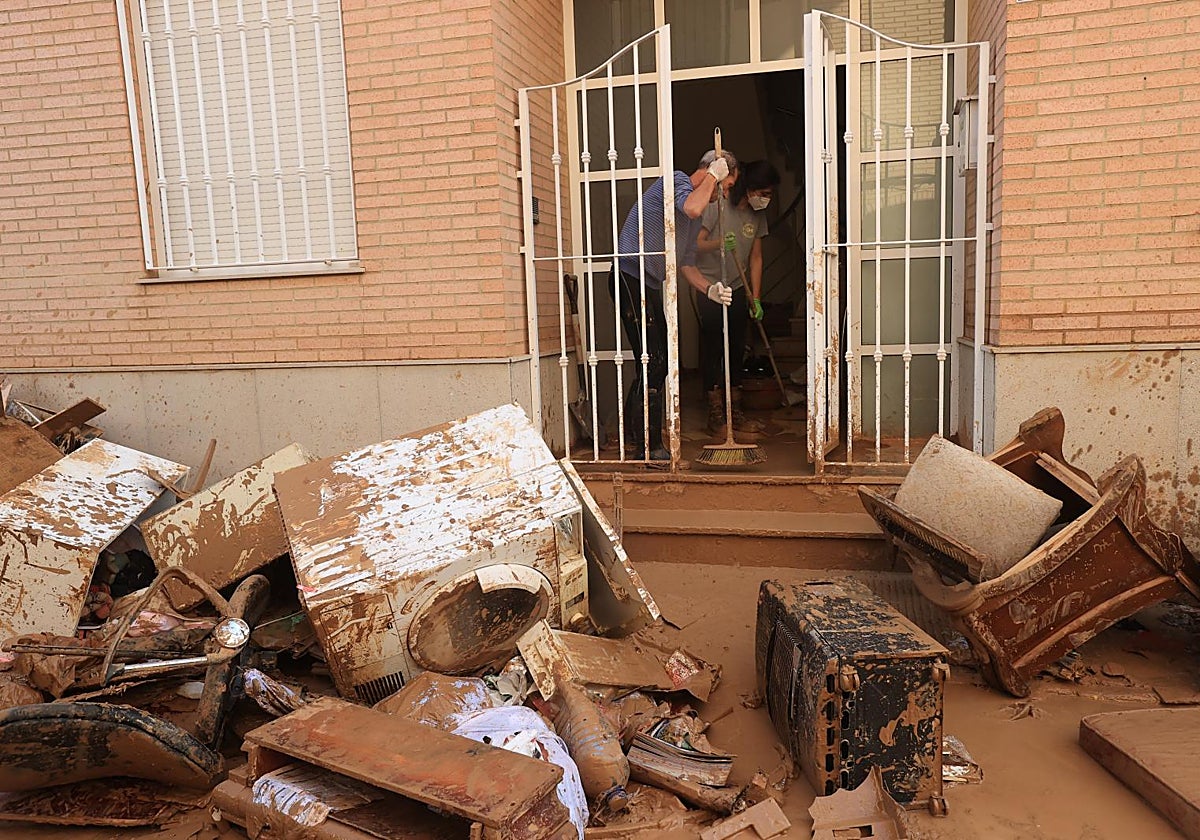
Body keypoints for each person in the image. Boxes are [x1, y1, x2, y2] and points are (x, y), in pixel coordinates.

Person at [611, 149, 738, 461]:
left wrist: (710, 290)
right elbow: (693, 207)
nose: (723, 195)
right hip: (629, 274)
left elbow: (687, 265)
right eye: (727, 186)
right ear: (714, 172)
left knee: (658, 360)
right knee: (652, 360)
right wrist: (713, 175)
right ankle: (648, 446)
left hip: (650, 283)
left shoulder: (692, 219)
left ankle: (636, 437)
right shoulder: (676, 181)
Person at [695, 160, 781, 436]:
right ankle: (715, 412)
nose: (766, 199)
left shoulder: (757, 217)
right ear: (750, 188)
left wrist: (755, 298)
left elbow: (756, 258)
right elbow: (694, 246)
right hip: (709, 286)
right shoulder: (716, 204)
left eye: (769, 195)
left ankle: (734, 410)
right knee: (714, 348)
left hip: (737, 287)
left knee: (736, 348)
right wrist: (719, 243)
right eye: (764, 193)